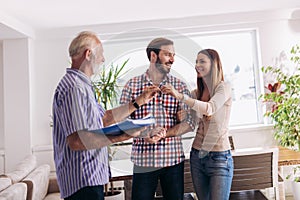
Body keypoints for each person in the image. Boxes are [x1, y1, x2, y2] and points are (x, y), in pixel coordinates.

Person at [52, 31, 162, 200]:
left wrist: (138, 102)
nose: (103, 59)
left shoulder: (82, 85)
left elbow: (103, 119)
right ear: (88, 54)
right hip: (82, 182)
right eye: (101, 54)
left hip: (88, 180)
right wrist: (123, 135)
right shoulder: (74, 88)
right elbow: (77, 141)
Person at [119, 37, 195, 200]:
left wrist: (163, 134)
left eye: (173, 55)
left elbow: (190, 123)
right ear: (153, 56)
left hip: (172, 161)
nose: (172, 60)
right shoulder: (132, 86)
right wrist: (145, 133)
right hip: (143, 162)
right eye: (167, 54)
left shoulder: (179, 87)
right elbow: (122, 122)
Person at [161, 48, 233, 200]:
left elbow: (209, 108)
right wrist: (165, 133)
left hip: (220, 157)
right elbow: (190, 125)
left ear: (213, 64)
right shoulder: (196, 93)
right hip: (197, 157)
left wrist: (180, 96)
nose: (197, 65)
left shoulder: (223, 88)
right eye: (196, 61)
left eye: (202, 61)